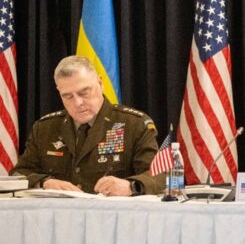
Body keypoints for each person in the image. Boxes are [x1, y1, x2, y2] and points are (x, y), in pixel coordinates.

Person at [11, 56, 164, 196]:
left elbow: (160, 174)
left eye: (84, 92)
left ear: (100, 83)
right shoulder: (45, 129)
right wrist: (44, 183)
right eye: (68, 96)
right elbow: (18, 174)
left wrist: (132, 186)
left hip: (113, 214)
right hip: (59, 214)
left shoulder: (134, 124)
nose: (78, 103)